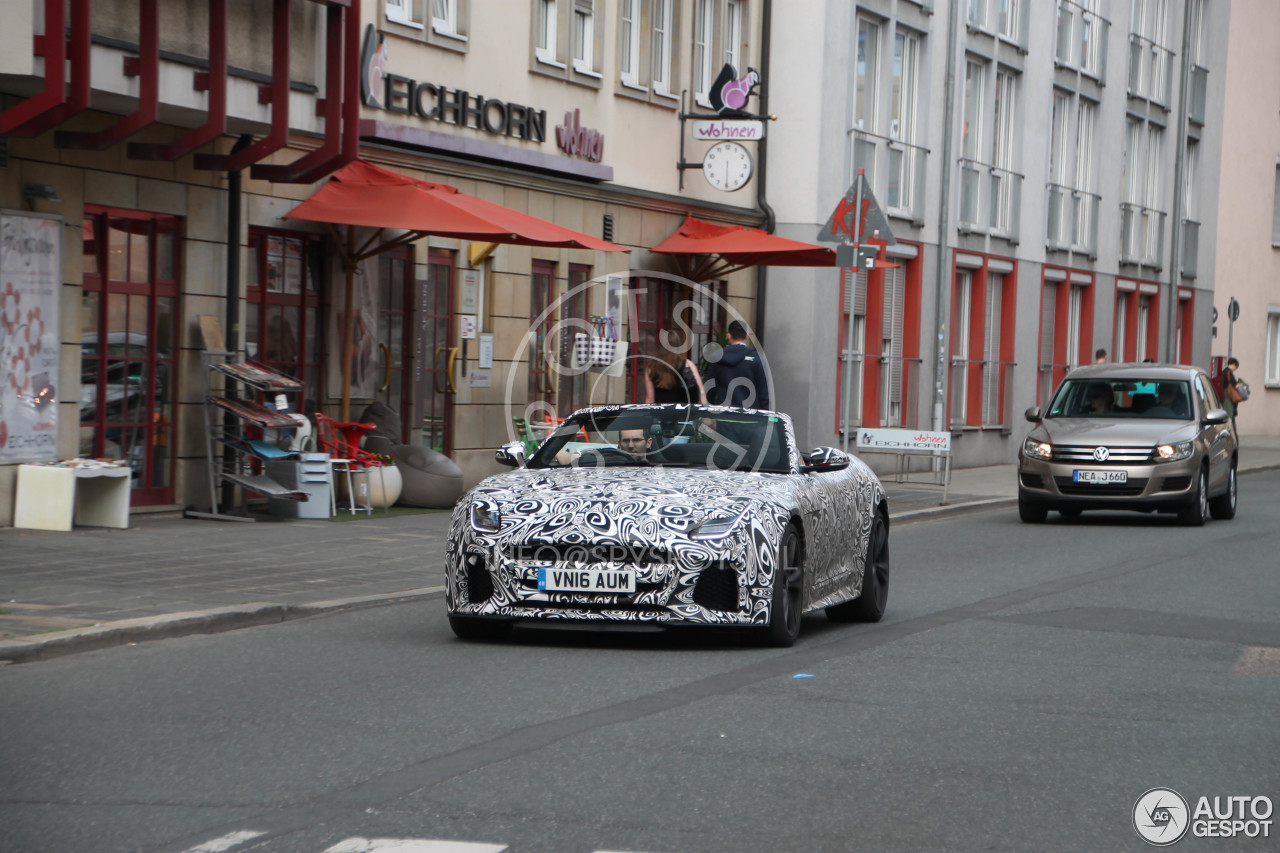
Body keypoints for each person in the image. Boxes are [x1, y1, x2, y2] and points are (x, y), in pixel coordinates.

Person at [705, 321, 770, 410]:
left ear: (728, 335)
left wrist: (709, 413)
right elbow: (763, 392)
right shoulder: (756, 358)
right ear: (747, 336)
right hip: (751, 416)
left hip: (725, 415)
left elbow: (709, 390)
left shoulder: (717, 357)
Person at [644, 331, 707, 405]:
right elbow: (701, 392)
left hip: (661, 413)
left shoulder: (652, 367)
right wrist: (704, 412)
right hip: (684, 412)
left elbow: (650, 399)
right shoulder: (687, 364)